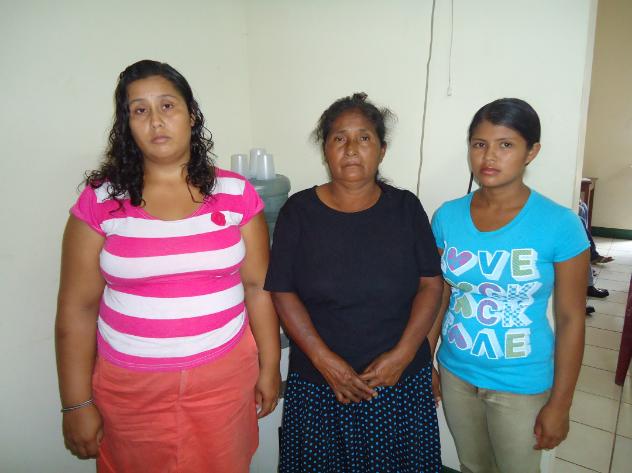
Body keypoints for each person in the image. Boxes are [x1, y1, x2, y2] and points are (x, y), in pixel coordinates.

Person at [55, 60, 280, 472]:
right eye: (139, 110)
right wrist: (76, 403)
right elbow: (77, 309)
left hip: (225, 378)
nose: (155, 121)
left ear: (191, 114)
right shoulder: (101, 200)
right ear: (127, 125)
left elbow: (258, 288)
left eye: (167, 106)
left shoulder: (236, 193)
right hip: (131, 388)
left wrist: (270, 367)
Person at [265, 93, 444, 472]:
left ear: (382, 150)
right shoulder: (299, 212)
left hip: (399, 383)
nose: (351, 149)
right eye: (339, 138)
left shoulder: (406, 208)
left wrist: (404, 355)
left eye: (363, 138)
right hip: (319, 384)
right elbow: (282, 290)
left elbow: (431, 284)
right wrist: (324, 361)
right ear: (325, 150)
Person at [429, 98, 589, 473]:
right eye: (479, 144)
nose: (489, 156)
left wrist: (561, 404)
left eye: (506, 145)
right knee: (472, 466)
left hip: (521, 383)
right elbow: (439, 294)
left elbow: (571, 319)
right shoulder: (447, 216)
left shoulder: (559, 224)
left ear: (531, 152)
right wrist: (426, 361)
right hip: (455, 373)